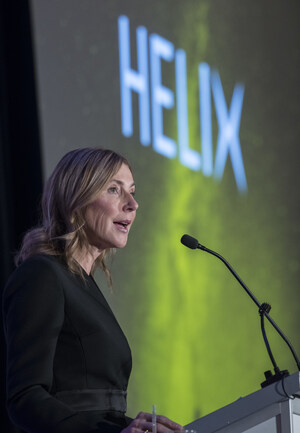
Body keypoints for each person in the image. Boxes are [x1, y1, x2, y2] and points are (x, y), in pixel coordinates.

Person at [2, 148, 183, 433]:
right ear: (75, 200)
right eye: (114, 189)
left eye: (132, 192)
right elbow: (25, 397)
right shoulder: (42, 275)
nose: (133, 204)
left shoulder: (84, 285)